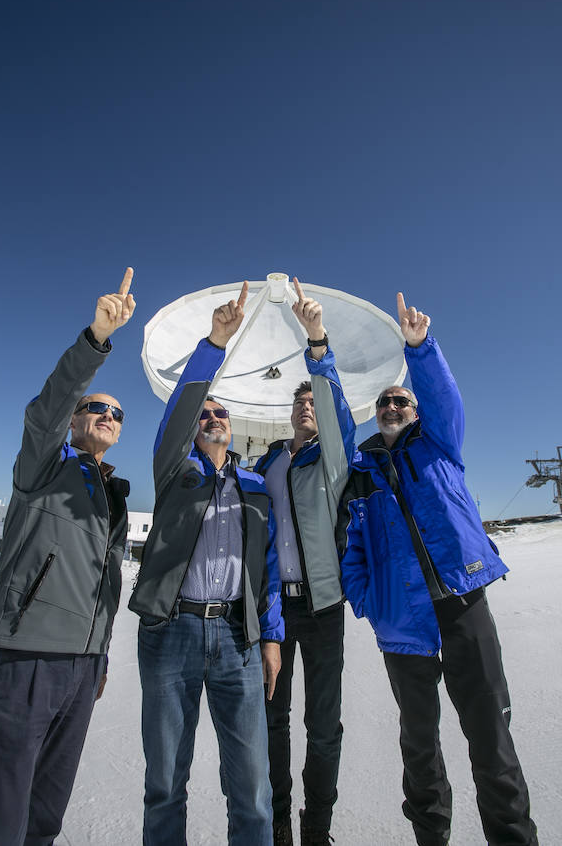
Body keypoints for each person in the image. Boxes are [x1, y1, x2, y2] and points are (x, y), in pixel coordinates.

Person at [338, 292, 538, 846]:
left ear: (416, 409)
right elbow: (352, 550)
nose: (392, 407)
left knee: (490, 737)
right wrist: (371, 601)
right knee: (419, 746)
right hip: (402, 620)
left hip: (463, 604)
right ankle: (432, 837)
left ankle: (513, 837)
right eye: (384, 403)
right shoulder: (363, 474)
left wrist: (419, 349)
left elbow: (443, 395)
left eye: (401, 400)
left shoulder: (440, 443)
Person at [0, 268, 136, 846]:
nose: (108, 417)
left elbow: (103, 585)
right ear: (75, 419)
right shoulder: (43, 468)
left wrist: (100, 659)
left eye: (117, 414)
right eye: (96, 409)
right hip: (21, 663)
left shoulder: (112, 495)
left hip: (81, 673)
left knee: (44, 819)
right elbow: (45, 409)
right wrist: (95, 341)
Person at [128, 281, 284, 846]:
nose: (214, 416)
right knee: (166, 781)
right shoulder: (176, 472)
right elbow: (179, 412)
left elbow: (263, 571)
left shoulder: (254, 488)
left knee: (251, 786)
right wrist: (215, 344)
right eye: (207, 412)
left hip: (237, 639)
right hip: (171, 633)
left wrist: (271, 637)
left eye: (222, 412)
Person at [255, 278, 356, 846]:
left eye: (314, 401)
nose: (307, 407)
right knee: (272, 721)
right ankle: (278, 829)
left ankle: (317, 831)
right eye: (300, 400)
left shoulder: (333, 463)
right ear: (290, 412)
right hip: (275, 614)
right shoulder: (267, 465)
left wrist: (317, 344)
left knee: (323, 728)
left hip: (323, 612)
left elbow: (339, 414)